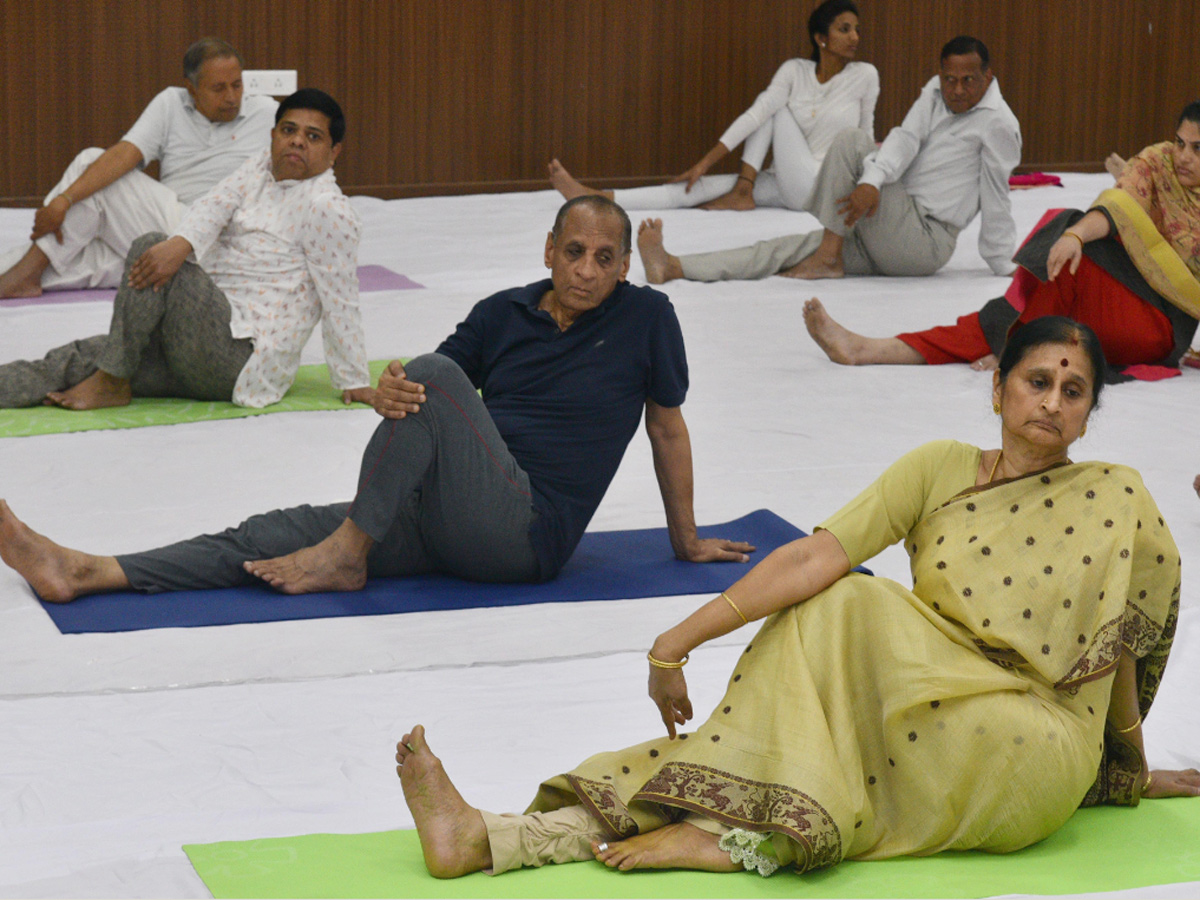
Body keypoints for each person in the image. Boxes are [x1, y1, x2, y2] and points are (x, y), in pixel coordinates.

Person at [393, 316, 1199, 880]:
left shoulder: (1112, 496)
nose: (1053, 401)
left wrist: (1125, 767)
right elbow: (816, 554)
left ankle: (751, 840)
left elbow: (1116, 649)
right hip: (912, 706)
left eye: (1074, 389)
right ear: (997, 388)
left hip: (1021, 744)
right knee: (817, 626)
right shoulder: (940, 468)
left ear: (1090, 415)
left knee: (856, 606)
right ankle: (497, 839)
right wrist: (678, 638)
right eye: (1037, 380)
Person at [0, 195, 753, 603]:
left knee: (429, 376)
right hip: (446, 511)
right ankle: (91, 570)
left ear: (624, 267)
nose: (586, 270)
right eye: (573, 251)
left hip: (525, 536)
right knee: (275, 531)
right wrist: (392, 387)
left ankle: (347, 555)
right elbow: (429, 388)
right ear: (548, 251)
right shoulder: (502, 310)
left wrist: (684, 540)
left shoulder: (646, 318)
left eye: (604, 258)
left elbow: (667, 430)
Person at [0, 89, 371, 412]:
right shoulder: (259, 167)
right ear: (273, 134)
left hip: (240, 358)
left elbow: (340, 298)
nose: (297, 142)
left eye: (313, 136)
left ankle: (112, 381)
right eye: (288, 131)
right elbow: (213, 205)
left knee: (151, 246)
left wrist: (352, 378)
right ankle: (106, 375)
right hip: (192, 340)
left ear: (334, 151)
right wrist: (181, 245)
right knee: (81, 357)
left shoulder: (327, 208)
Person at [804, 102, 1200, 377]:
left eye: (1197, 149)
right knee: (1063, 247)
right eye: (1181, 142)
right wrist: (1076, 236)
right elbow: (1116, 207)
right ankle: (867, 349)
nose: (1183, 156)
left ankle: (1015, 346)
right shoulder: (1158, 162)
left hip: (1158, 326)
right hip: (1119, 290)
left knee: (1021, 312)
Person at [638, 36, 1020, 284]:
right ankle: (675, 267)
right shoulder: (935, 92)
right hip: (889, 223)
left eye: (968, 80)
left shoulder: (998, 123)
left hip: (924, 241)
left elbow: (996, 192)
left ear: (988, 77)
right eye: (949, 79)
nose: (956, 89)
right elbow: (905, 138)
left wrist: (1002, 262)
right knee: (784, 248)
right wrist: (872, 181)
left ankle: (828, 257)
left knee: (852, 140)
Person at [0, 38, 278, 299]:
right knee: (78, 242)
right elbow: (125, 154)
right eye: (219, 88)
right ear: (192, 89)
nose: (232, 97)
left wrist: (64, 199)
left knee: (81, 227)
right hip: (169, 219)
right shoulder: (171, 103)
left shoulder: (268, 113)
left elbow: (313, 148)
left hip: (220, 235)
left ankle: (25, 273)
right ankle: (24, 274)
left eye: (237, 85)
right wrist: (64, 200)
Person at [549, 0, 878, 214]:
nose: (854, 37)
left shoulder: (865, 76)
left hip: (823, 186)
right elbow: (753, 116)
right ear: (821, 38)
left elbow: (865, 134)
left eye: (856, 30)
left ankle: (743, 190)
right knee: (694, 188)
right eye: (844, 29)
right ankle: (593, 197)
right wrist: (702, 165)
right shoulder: (795, 71)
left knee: (773, 109)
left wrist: (870, 183)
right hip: (786, 183)